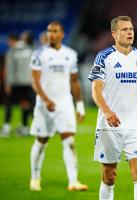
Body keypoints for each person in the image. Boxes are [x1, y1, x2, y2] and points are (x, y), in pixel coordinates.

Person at [89, 16, 137, 200]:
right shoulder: (104, 57)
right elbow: (95, 89)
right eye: (124, 29)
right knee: (109, 176)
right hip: (110, 125)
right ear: (114, 34)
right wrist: (107, 111)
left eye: (131, 28)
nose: (129, 32)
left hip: (135, 124)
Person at [29, 21, 88, 191]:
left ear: (62, 34)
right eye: (49, 31)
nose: (51, 34)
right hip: (44, 104)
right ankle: (35, 178)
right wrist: (46, 99)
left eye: (55, 31)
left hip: (64, 103)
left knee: (69, 140)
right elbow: (35, 80)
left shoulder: (70, 54)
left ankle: (73, 181)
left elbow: (74, 80)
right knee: (41, 141)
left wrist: (80, 105)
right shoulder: (39, 53)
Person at [1, 31, 35, 136]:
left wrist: (7, 83)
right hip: (28, 82)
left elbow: (9, 68)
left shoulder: (13, 50)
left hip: (15, 83)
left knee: (8, 104)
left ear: (12, 40)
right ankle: (26, 127)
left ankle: (6, 128)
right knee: (26, 104)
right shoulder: (30, 50)